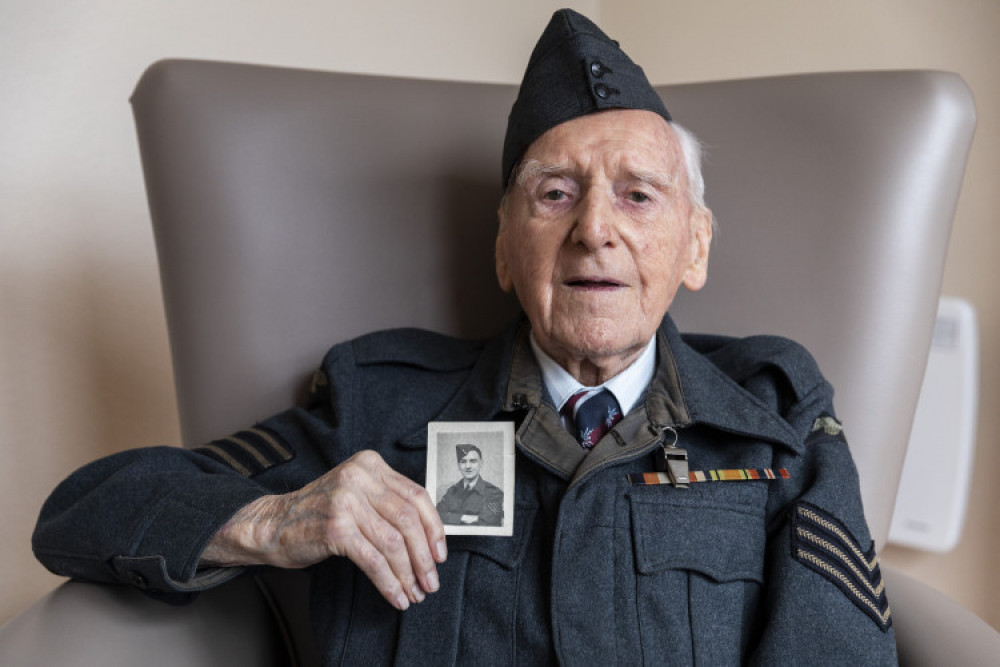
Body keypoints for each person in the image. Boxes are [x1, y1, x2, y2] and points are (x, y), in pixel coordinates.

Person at [32, 9, 897, 664]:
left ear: (695, 245)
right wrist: (276, 518)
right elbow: (82, 511)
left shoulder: (773, 413)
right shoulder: (382, 404)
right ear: (503, 249)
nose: (595, 229)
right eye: (555, 193)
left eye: (638, 195)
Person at [436, 444, 504, 526]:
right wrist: (463, 517)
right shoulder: (451, 491)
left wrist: (452, 517)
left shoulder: (494, 493)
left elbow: (488, 521)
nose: (468, 466)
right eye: (463, 461)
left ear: (481, 463)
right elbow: (436, 515)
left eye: (473, 461)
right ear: (458, 466)